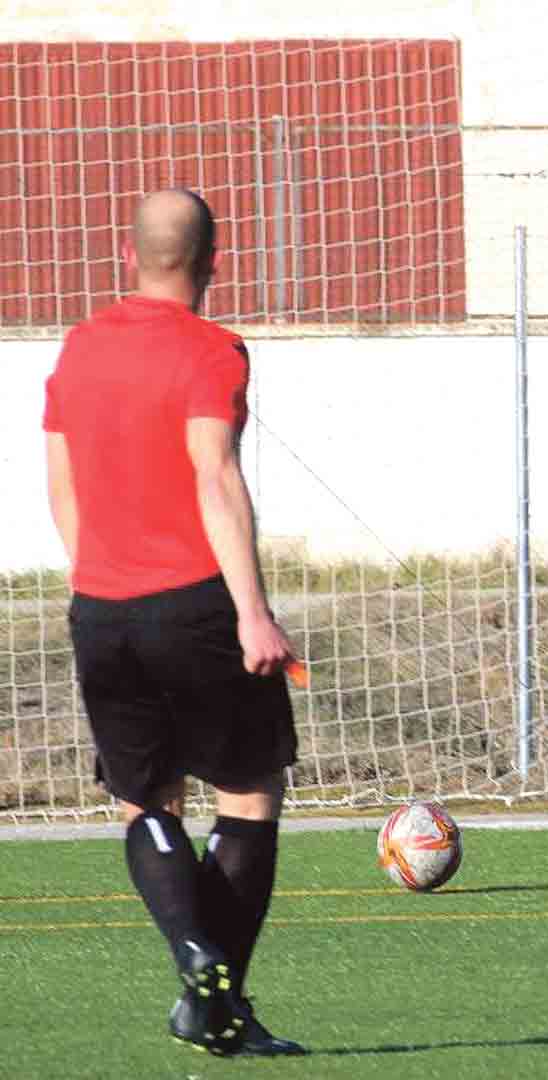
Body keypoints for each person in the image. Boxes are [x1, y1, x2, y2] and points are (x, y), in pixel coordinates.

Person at [41, 189, 305, 1057]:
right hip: (195, 605)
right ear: (212, 261)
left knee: (142, 800)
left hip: (101, 610)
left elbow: (63, 485)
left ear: (129, 255)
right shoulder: (213, 349)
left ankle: (199, 971)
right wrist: (254, 613)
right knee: (249, 792)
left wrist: (98, 584)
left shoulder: (77, 349)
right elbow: (215, 476)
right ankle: (217, 980)